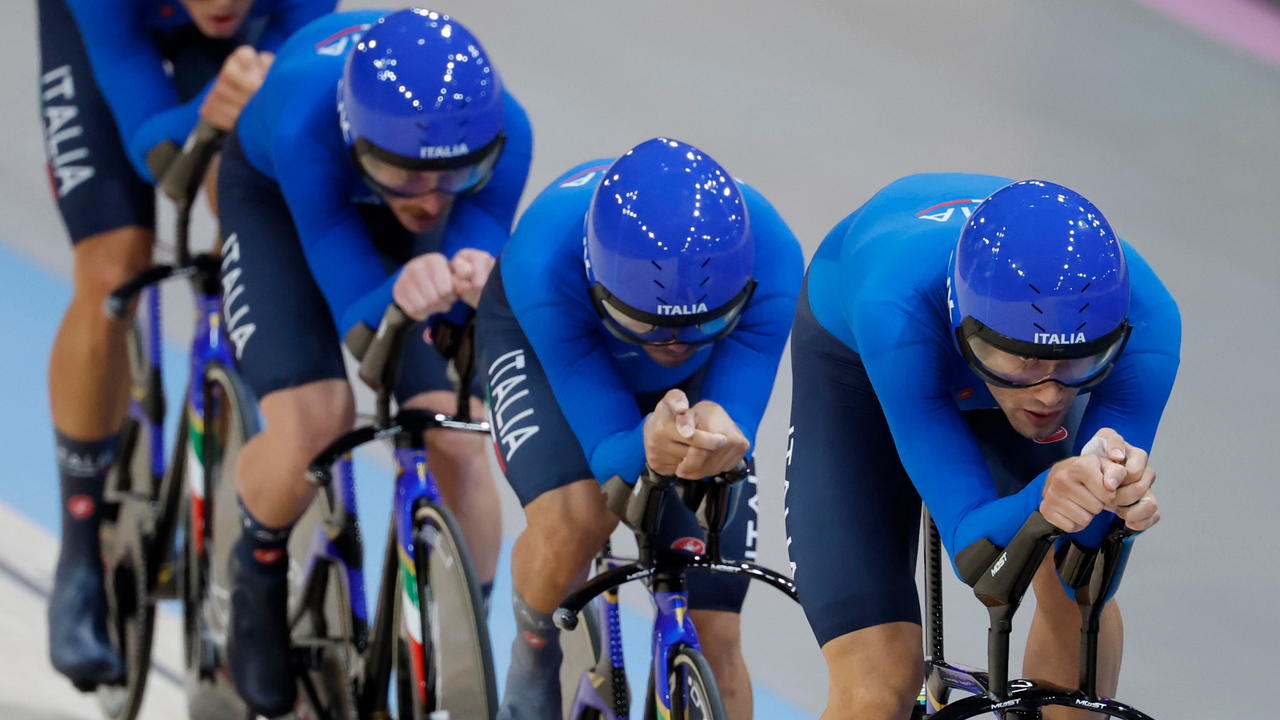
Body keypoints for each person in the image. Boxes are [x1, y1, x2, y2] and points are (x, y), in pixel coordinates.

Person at [215, 8, 531, 716]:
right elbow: (358, 315)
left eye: (452, 174)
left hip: (386, 209)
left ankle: (457, 627)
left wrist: (468, 278)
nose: (427, 197)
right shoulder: (304, 126)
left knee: (454, 431)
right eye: (404, 173)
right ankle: (257, 564)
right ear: (358, 141)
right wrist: (393, 294)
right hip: (282, 207)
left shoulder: (505, 135)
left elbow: (465, 267)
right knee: (316, 422)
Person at [784, 174, 1181, 720]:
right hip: (863, 360)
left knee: (1080, 600)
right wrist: (1045, 494)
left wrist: (1113, 506)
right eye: (1021, 361)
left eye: (1077, 365)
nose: (1048, 393)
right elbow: (978, 558)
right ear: (960, 327)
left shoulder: (1150, 318)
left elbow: (1087, 567)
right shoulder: (896, 309)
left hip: (972, 349)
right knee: (877, 687)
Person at [39, 0, 332, 691]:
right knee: (115, 269)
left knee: (256, 217)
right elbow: (155, 150)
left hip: (248, 50)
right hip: (110, 36)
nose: (223, 3)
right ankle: (80, 553)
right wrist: (207, 105)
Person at [475, 137, 803, 720]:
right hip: (553, 357)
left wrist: (718, 427)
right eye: (645, 324)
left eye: (700, 326)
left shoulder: (774, 254)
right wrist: (646, 447)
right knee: (578, 518)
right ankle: (533, 646)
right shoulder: (543, 262)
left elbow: (734, 414)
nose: (671, 346)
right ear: (598, 285)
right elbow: (609, 450)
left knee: (716, 628)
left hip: (697, 383)